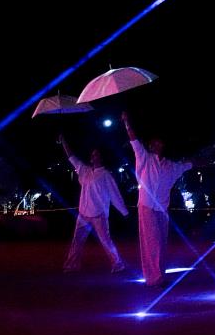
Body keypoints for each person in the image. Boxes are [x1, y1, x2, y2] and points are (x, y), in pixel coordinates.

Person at [121, 111, 193, 287]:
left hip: (162, 209)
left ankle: (160, 274)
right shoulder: (144, 158)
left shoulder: (170, 165)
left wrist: (202, 161)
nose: (157, 144)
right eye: (154, 142)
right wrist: (127, 122)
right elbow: (134, 141)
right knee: (152, 242)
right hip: (146, 207)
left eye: (160, 142)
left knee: (161, 243)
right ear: (150, 146)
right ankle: (155, 278)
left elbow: (185, 166)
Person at [60, 134, 129, 273]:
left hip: (99, 214)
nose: (94, 156)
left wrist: (124, 212)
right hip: (83, 213)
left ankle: (118, 263)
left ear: (101, 158)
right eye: (93, 154)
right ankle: (72, 264)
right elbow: (72, 157)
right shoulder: (84, 170)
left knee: (105, 240)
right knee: (77, 240)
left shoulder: (105, 175)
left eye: (97, 154)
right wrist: (63, 141)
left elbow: (115, 194)